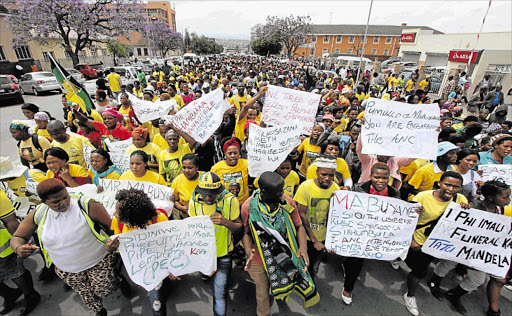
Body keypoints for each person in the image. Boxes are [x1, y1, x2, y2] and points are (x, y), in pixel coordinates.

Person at [10, 178, 118, 316]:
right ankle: (99, 311)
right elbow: (17, 237)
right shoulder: (39, 213)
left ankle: (118, 280)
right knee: (86, 293)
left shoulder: (86, 205)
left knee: (104, 289)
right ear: (44, 202)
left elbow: (111, 229)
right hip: (67, 269)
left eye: (65, 197)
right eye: (55, 202)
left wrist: (115, 246)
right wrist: (19, 248)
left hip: (98, 261)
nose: (63, 203)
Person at [427, 180, 511, 316]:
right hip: (461, 247)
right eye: (505, 197)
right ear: (490, 198)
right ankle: (434, 281)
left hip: (479, 250)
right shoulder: (473, 208)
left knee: (478, 279)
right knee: (449, 263)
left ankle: (453, 294)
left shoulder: (499, 210)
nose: (508, 201)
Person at [242, 172, 319, 315]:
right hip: (259, 259)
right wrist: (248, 251)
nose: (282, 193)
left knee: (290, 281)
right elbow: (246, 232)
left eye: (282, 190)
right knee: (262, 291)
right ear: (264, 191)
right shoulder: (248, 207)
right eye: (278, 191)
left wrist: (303, 248)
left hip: (286, 256)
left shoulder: (287, 202)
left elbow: (299, 226)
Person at [403, 171, 468, 316]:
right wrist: (412, 240)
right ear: (439, 183)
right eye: (448, 185)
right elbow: (408, 220)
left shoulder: (461, 199)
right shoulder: (423, 197)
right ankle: (410, 295)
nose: (451, 189)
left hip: (438, 244)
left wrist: (467, 210)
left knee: (420, 270)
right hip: (419, 241)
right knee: (417, 268)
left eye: (456, 187)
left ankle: (410, 294)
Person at [339, 163, 402, 305]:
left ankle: (347, 267)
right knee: (356, 261)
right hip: (359, 232)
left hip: (377, 235)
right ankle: (348, 288)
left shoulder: (394, 193)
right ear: (370, 176)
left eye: (385, 178)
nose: (381, 180)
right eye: (377, 177)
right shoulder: (358, 188)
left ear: (389, 178)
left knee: (359, 259)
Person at [106, 188, 171, 316]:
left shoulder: (158, 219)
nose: (114, 214)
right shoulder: (117, 222)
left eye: (119, 213)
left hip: (157, 264)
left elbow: (168, 243)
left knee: (157, 303)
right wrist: (111, 248)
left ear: (132, 216)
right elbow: (121, 248)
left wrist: (171, 268)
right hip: (139, 265)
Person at [188, 172, 242, 316]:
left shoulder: (231, 201)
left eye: (212, 194)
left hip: (224, 255)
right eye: (204, 194)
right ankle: (205, 274)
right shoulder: (193, 201)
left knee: (220, 293)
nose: (207, 198)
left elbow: (239, 228)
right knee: (205, 274)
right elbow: (190, 229)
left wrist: (225, 222)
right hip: (203, 255)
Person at [294, 156, 340, 279]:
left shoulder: (336, 189)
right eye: (324, 174)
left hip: (324, 239)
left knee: (314, 267)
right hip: (308, 239)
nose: (327, 178)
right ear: (317, 172)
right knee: (304, 265)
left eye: (331, 175)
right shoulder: (305, 187)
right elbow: (301, 215)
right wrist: (314, 240)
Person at [0, 189, 40, 316]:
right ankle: (9, 295)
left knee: (15, 272)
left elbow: (11, 221)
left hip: (3, 248)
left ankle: (30, 295)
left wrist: (20, 244)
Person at [211, 137, 249, 204]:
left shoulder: (246, 164)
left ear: (239, 153)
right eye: (230, 153)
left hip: (243, 204)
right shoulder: (216, 168)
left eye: (235, 153)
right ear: (225, 154)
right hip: (225, 205)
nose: (233, 156)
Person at [170, 154, 202, 219]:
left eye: (190, 168)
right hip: (185, 216)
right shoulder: (177, 181)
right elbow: (175, 200)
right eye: (184, 167)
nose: (186, 170)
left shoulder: (205, 178)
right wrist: (181, 208)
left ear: (197, 168)